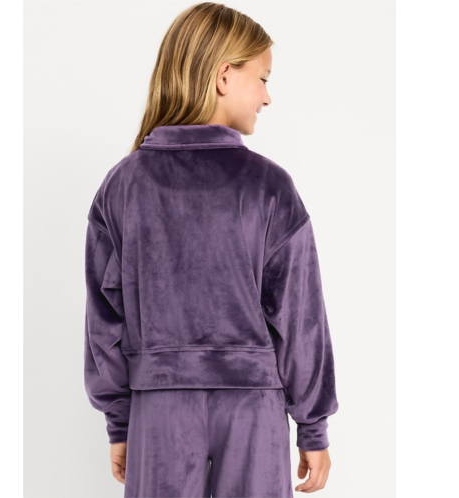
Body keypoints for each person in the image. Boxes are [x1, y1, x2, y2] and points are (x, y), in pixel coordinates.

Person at [84, 2, 339, 497]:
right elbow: (301, 318)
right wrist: (313, 426)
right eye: (263, 78)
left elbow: (104, 323)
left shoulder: (123, 185)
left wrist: (121, 420)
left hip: (159, 409)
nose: (267, 97)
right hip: (252, 411)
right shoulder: (269, 186)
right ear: (224, 76)